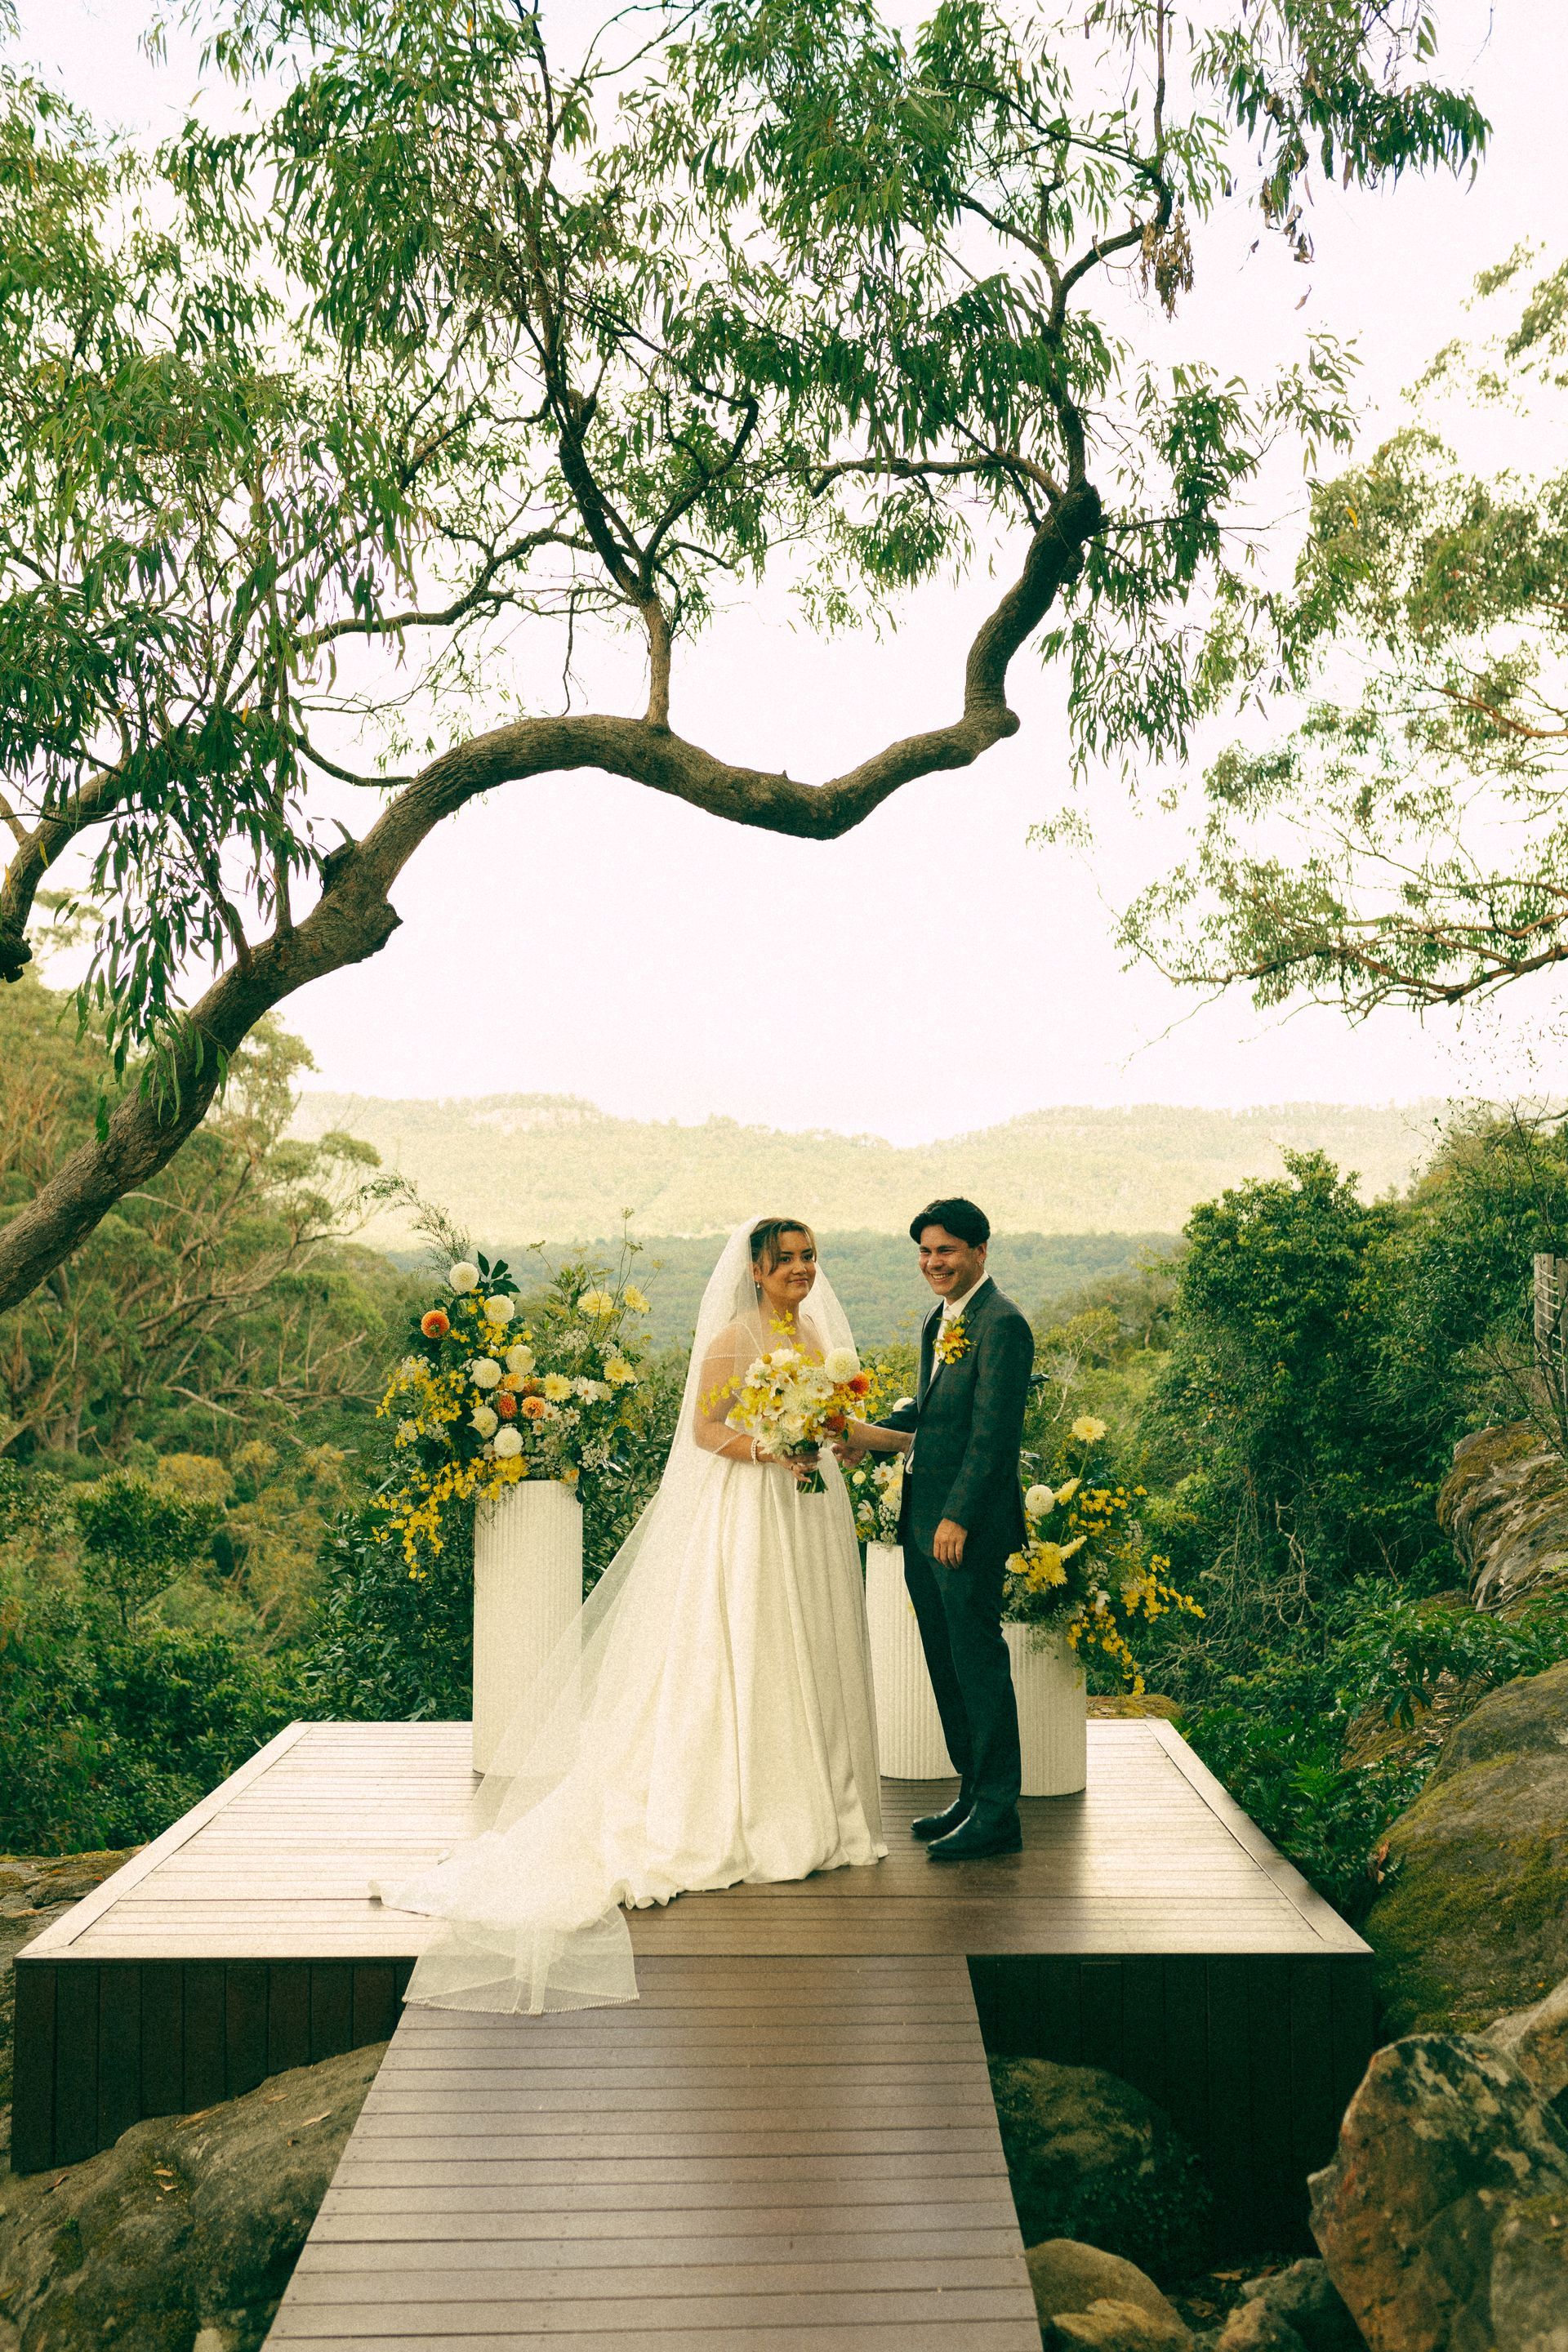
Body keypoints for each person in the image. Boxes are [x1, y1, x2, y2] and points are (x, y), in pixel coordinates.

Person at [372, 1216, 885, 2013]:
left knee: (805, 1650)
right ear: (755, 1268)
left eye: (810, 1257)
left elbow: (831, 1421)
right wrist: (768, 1446)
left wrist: (884, 1439)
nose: (801, 1271)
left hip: (808, 1511)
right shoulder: (734, 1338)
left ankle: (814, 1800)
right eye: (786, 1260)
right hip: (749, 1510)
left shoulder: (815, 1334)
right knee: (747, 1646)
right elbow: (707, 1430)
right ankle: (742, 1808)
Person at [840, 1196, 1034, 1859]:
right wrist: (875, 1435)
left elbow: (992, 1437)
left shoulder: (1003, 1325)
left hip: (964, 1525)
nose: (933, 1262)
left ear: (980, 1250)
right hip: (920, 1516)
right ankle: (972, 1792)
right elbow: (926, 1408)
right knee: (945, 1662)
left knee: (977, 1662)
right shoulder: (937, 1320)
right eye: (925, 1251)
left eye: (945, 1250)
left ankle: (999, 1811)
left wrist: (956, 1516)